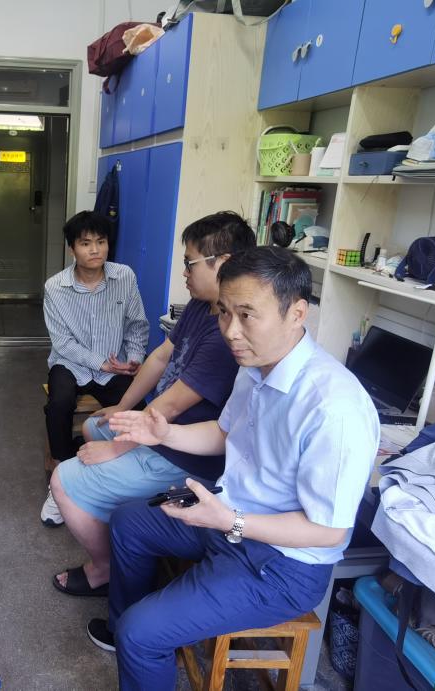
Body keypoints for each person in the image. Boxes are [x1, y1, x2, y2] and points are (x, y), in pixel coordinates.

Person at [93, 247, 380, 690]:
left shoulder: (335, 407)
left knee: (141, 632)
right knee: (130, 522)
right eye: (224, 313)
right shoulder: (255, 365)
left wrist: (229, 520)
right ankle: (132, 641)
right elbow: (226, 433)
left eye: (247, 315)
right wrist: (163, 433)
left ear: (296, 313)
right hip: (230, 516)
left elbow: (328, 532)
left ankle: (140, 637)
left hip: (282, 566)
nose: (230, 331)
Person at [49, 212, 255, 597]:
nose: (184, 273)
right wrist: (122, 408)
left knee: (62, 479)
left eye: (190, 263)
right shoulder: (201, 306)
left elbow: (171, 408)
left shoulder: (225, 335)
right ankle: (123, 530)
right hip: (161, 431)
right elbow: (160, 357)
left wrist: (117, 447)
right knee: (94, 425)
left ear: (223, 263)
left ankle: (105, 568)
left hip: (184, 457)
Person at [41, 210, 149, 523]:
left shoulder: (124, 277)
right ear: (72, 249)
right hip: (69, 363)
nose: (95, 250)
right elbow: (63, 343)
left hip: (114, 364)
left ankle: (125, 475)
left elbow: (137, 325)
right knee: (59, 404)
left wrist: (134, 360)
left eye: (101, 242)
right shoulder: (55, 287)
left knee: (137, 408)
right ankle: (61, 477)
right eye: (86, 243)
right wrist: (100, 363)